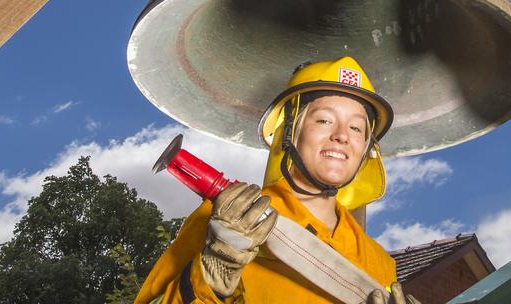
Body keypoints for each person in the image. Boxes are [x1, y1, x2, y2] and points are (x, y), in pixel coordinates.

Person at [135, 56, 421, 304]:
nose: (342, 135)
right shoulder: (224, 221)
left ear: (368, 148)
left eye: (357, 128)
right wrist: (210, 277)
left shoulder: (380, 263)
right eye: (324, 120)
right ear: (289, 132)